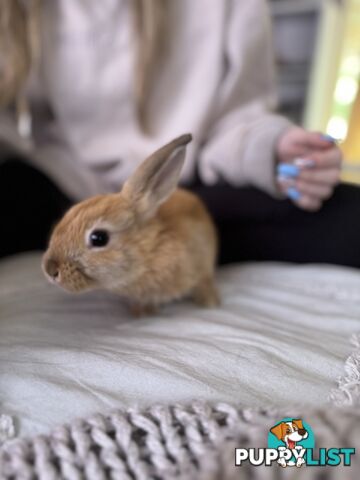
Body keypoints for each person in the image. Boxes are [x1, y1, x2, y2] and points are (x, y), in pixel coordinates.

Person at [0, 0, 356, 266]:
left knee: (347, 219)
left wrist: (274, 150)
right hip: (68, 190)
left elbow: (240, 116)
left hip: (189, 191)